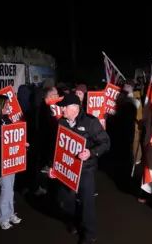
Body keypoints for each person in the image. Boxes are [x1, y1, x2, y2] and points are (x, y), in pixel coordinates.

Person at [52, 93, 110, 244]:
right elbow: (57, 148)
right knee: (66, 200)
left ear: (74, 108)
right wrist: (54, 168)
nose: (62, 109)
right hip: (67, 169)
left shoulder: (91, 122)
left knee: (86, 203)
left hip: (86, 170)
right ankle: (74, 222)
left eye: (64, 107)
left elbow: (105, 143)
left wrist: (91, 152)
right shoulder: (61, 123)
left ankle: (89, 235)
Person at [0, 95, 24, 230]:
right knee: (5, 188)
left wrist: (21, 142)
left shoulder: (7, 118)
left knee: (10, 187)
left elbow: (13, 135)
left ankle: (9, 214)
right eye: (6, 104)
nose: (9, 106)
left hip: (9, 158)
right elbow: (2, 135)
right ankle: (2, 218)